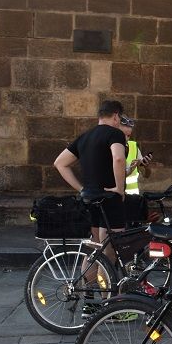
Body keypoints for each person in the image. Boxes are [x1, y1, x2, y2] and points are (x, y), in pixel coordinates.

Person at [53, 100, 128, 258]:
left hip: (90, 198)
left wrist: (81, 189)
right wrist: (119, 189)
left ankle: (87, 283)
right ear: (115, 116)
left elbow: (60, 163)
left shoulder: (85, 137)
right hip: (109, 197)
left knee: (94, 249)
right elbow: (119, 158)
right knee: (111, 250)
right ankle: (107, 283)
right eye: (120, 118)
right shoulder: (115, 134)